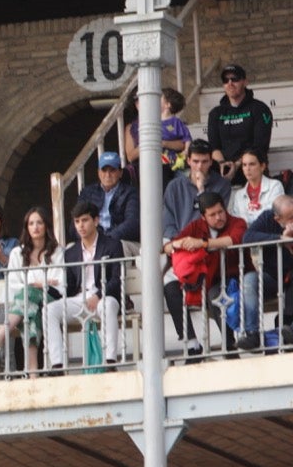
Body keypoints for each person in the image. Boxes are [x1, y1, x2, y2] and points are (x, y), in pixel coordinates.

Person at [162, 191, 254, 359]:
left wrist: (202, 244)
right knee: (170, 289)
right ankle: (192, 345)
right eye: (212, 214)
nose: (218, 217)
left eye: (221, 212)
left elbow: (235, 239)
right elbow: (167, 247)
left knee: (216, 295)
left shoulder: (237, 222)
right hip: (202, 280)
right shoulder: (196, 226)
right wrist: (178, 243)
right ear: (203, 217)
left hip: (231, 278)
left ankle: (230, 346)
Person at [0, 206, 65, 376]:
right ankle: (33, 373)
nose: (35, 227)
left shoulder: (57, 252)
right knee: (29, 312)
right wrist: (40, 283)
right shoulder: (17, 253)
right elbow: (13, 284)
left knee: (28, 298)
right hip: (27, 304)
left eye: (39, 223)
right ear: (27, 228)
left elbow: (59, 283)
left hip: (52, 302)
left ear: (46, 226)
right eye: (31, 223)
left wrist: (38, 286)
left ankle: (0, 336)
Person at [46, 200, 126, 371]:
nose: (80, 226)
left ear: (96, 221)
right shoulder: (71, 252)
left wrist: (98, 296)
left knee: (108, 305)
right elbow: (69, 286)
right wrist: (49, 287)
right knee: (49, 310)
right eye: (77, 221)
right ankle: (57, 365)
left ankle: (109, 361)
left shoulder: (112, 245)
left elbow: (117, 279)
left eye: (84, 220)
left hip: (103, 297)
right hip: (79, 299)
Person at [207, 64, 273, 181]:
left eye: (235, 79)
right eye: (226, 80)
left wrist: (237, 165)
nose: (230, 83)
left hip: (251, 169)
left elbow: (260, 145)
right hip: (223, 171)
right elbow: (214, 146)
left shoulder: (260, 109)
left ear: (245, 82)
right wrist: (222, 164)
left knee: (251, 163)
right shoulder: (215, 113)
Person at [163, 142, 233, 242]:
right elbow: (167, 222)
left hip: (208, 244)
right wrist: (179, 241)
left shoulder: (222, 185)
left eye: (204, 162)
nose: (199, 167)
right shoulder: (174, 186)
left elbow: (216, 221)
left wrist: (201, 191)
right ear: (188, 161)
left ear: (211, 162)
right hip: (180, 244)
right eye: (195, 161)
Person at [78, 152, 142, 253]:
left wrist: (105, 238)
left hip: (120, 240)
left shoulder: (130, 192)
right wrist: (93, 237)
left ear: (120, 173)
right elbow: (75, 223)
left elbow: (132, 223)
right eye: (104, 170)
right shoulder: (87, 193)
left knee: (119, 246)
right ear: (98, 172)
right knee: (71, 248)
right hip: (94, 239)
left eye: (112, 170)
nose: (107, 175)